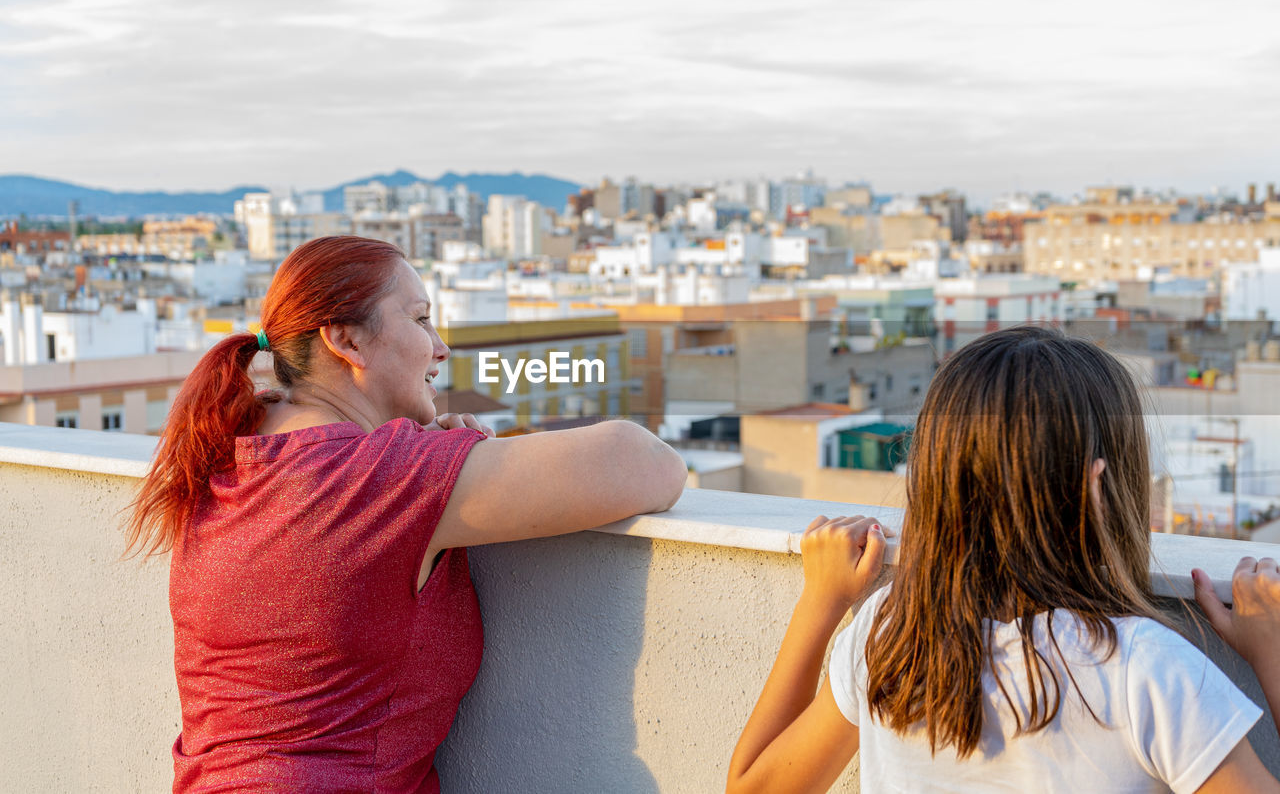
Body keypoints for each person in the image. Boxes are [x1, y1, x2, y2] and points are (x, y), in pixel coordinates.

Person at [125, 235, 687, 792]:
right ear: (346, 339)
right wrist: (431, 458)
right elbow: (644, 463)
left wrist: (426, 456)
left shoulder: (228, 454)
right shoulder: (375, 477)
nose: (441, 348)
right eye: (420, 321)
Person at [728, 326, 1280, 794]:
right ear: (1096, 487)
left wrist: (820, 603)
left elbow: (751, 786)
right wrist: (1272, 653)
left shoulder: (887, 638)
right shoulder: (1148, 670)